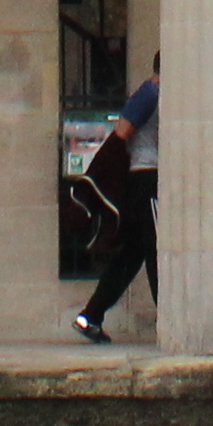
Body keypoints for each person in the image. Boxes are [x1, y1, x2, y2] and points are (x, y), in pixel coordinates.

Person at [70, 79, 159, 344]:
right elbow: (122, 131)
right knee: (157, 248)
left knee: (132, 254)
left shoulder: (150, 93)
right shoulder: (150, 92)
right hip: (147, 178)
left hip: (143, 179)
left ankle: (90, 316)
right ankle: (169, 319)